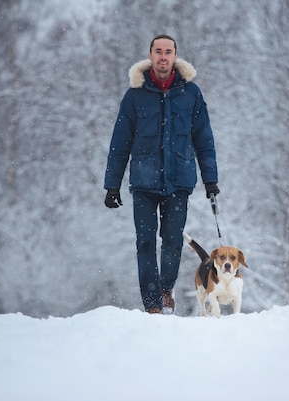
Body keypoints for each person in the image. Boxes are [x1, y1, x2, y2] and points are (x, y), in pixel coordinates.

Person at [104, 34, 219, 314]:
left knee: (172, 240)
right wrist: (112, 185)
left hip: (179, 180)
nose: (163, 57)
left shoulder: (191, 93)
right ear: (151, 56)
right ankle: (153, 304)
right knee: (145, 242)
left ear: (176, 57)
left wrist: (210, 180)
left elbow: (204, 139)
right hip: (143, 182)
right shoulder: (134, 96)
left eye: (168, 52)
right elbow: (120, 142)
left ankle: (166, 289)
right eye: (159, 51)